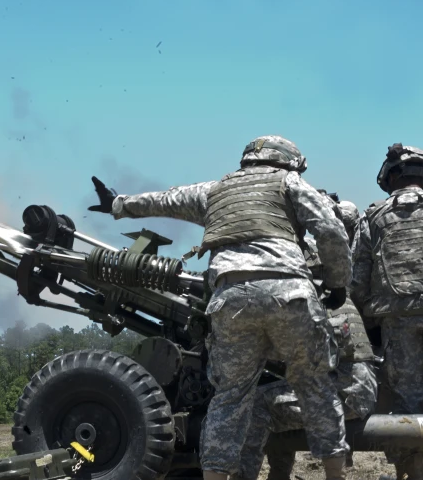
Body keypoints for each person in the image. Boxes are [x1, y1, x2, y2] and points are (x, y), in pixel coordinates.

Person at [88, 135, 352, 480]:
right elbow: (330, 228)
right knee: (314, 384)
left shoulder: (215, 189)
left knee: (230, 397)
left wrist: (118, 204)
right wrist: (336, 282)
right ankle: (335, 475)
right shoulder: (290, 182)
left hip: (230, 298)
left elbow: (166, 200)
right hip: (290, 293)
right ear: (289, 161)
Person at [234, 200, 377, 480]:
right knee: (276, 393)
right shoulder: (332, 295)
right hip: (349, 385)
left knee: (256, 406)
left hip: (350, 392)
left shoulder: (315, 304)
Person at [351, 143, 423, 480]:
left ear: (392, 175)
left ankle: (409, 472)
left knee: (406, 402)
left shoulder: (374, 217)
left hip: (398, 321)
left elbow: (356, 280)